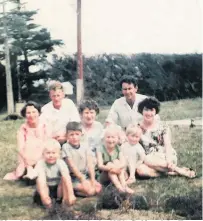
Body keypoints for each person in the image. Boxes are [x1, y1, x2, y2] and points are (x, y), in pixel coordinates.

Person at [136, 97, 196, 178]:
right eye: (146, 110)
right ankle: (176, 171)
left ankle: (172, 169)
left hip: (164, 156)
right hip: (147, 158)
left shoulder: (163, 126)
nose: (149, 113)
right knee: (141, 170)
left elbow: (168, 145)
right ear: (141, 111)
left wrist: (169, 161)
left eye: (152, 110)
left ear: (156, 111)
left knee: (147, 160)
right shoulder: (136, 127)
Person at [3, 101, 51, 181]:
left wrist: (40, 159)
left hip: (42, 155)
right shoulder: (23, 129)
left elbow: (48, 144)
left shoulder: (45, 126)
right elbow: (20, 148)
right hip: (27, 157)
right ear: (25, 115)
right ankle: (29, 171)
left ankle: (33, 172)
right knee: (29, 145)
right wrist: (28, 161)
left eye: (34, 112)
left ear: (38, 113)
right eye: (28, 113)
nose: (31, 115)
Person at [62, 121, 102, 197]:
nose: (74, 137)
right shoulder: (66, 147)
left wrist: (92, 180)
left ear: (81, 134)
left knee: (98, 188)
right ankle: (73, 190)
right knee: (90, 191)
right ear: (67, 136)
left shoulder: (85, 145)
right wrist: (82, 180)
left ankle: (86, 188)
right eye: (71, 135)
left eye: (77, 134)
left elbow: (90, 164)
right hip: (73, 177)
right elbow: (72, 166)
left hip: (85, 175)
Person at [33, 139, 76, 209]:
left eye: (53, 153)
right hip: (45, 188)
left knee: (64, 178)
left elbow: (67, 178)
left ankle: (62, 200)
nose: (51, 155)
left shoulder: (61, 163)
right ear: (43, 154)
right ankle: (46, 200)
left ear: (59, 154)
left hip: (57, 188)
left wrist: (71, 194)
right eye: (48, 153)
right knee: (39, 180)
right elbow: (42, 182)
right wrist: (45, 196)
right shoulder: (40, 164)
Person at [97, 125, 134, 193]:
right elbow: (100, 165)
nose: (111, 140)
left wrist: (116, 168)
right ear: (104, 138)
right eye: (108, 137)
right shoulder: (100, 149)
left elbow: (123, 163)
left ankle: (124, 186)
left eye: (113, 137)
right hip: (104, 175)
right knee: (109, 163)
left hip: (118, 173)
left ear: (117, 139)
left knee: (116, 161)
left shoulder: (118, 148)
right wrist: (111, 168)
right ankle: (119, 187)